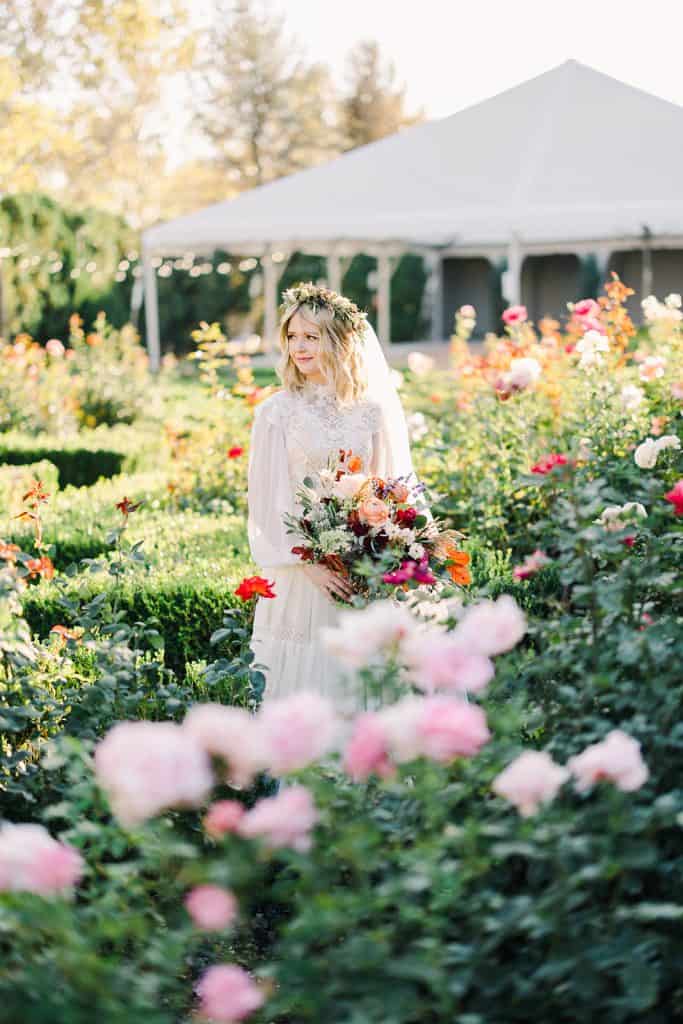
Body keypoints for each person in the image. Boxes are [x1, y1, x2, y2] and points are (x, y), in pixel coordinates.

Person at [247, 282, 415, 710]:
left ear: (338, 341)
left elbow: (390, 491)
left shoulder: (371, 411)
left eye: (311, 336)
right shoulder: (275, 413)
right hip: (301, 575)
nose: (299, 347)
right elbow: (267, 504)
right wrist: (311, 566)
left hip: (361, 569)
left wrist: (384, 551)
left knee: (362, 681)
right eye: (292, 336)